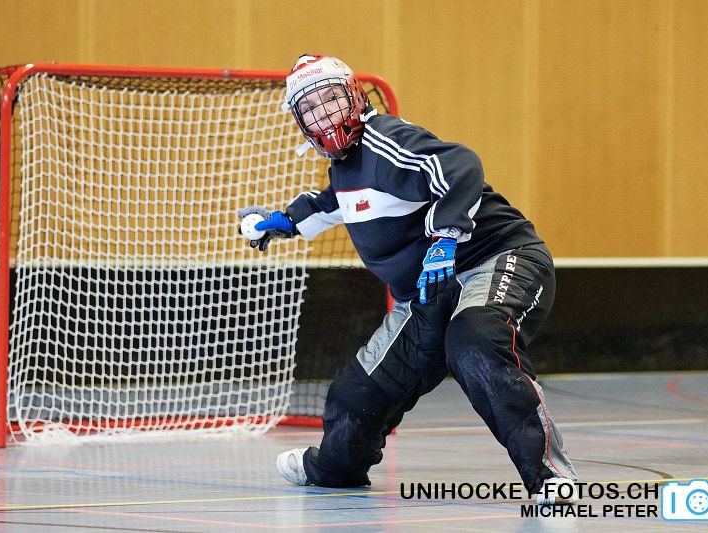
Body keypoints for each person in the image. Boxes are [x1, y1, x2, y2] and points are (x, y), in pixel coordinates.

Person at [238, 54, 578, 505]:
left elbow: (459, 166)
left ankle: (550, 477)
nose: (326, 115)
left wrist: (445, 236)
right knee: (357, 393)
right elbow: (330, 203)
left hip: (497, 258)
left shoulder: (386, 140)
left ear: (354, 97)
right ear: (301, 123)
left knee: (475, 341)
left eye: (331, 100)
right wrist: (280, 221)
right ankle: (333, 468)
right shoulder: (346, 172)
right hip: (427, 297)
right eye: (312, 109)